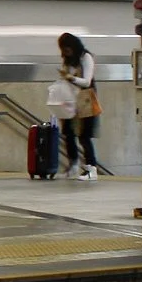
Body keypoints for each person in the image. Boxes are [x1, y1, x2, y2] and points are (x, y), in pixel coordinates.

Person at [56, 32, 106, 180]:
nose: (66, 52)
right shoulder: (67, 60)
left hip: (85, 100)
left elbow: (87, 81)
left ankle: (91, 169)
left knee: (84, 136)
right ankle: (73, 166)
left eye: (67, 49)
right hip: (70, 100)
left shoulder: (86, 57)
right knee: (68, 133)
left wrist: (71, 78)